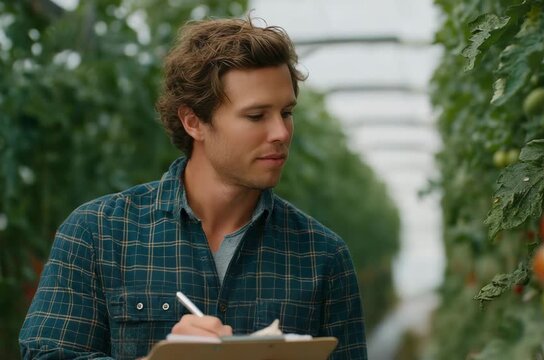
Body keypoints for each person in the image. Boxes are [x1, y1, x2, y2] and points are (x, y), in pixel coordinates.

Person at [19, 17, 367, 360]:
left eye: (287, 112)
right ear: (193, 122)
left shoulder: (322, 257)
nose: (281, 132)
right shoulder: (99, 235)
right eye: (256, 116)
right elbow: (47, 355)